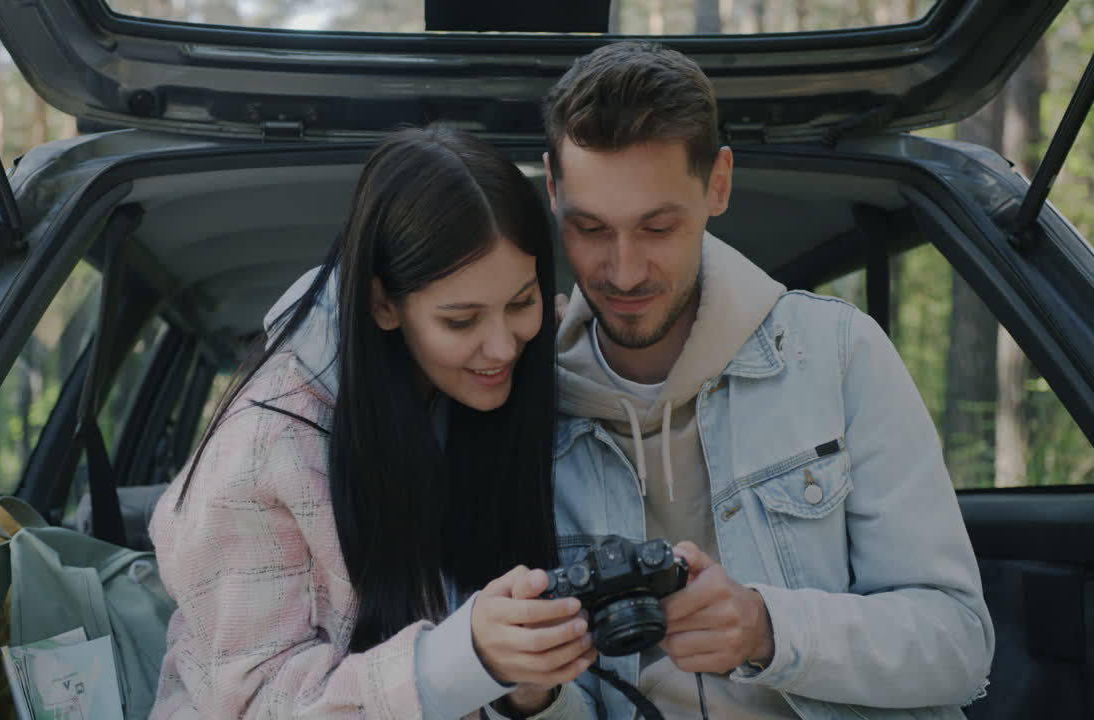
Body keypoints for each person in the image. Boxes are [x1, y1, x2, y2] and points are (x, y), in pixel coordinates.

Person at [539, 42, 995, 718]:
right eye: (590, 228)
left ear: (718, 184)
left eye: (658, 226)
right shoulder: (518, 404)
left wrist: (765, 627)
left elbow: (959, 647)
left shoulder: (840, 355)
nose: (624, 270)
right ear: (552, 189)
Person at [148, 127, 597, 720]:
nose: (502, 346)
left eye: (521, 303)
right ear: (383, 303)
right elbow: (253, 703)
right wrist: (462, 660)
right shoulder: (262, 452)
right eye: (461, 320)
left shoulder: (513, 397)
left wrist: (527, 691)